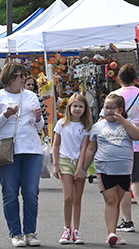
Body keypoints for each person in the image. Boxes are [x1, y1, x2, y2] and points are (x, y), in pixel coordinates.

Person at [0, 62, 44, 247]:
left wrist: (38, 117)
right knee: (10, 193)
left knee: (31, 192)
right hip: (7, 148)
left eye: (25, 75)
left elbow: (40, 126)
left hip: (32, 149)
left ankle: (30, 232)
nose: (24, 79)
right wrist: (6, 115)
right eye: (21, 75)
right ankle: (16, 233)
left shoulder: (32, 96)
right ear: (10, 77)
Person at [79, 92, 139, 247]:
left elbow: (138, 136)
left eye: (112, 107)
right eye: (106, 107)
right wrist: (83, 168)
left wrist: (123, 121)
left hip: (125, 169)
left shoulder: (128, 124)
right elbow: (90, 149)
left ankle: (113, 232)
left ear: (120, 109)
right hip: (104, 168)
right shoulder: (97, 126)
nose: (108, 110)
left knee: (117, 200)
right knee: (111, 200)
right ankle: (111, 233)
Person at [109, 64, 139, 233]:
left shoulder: (114, 96)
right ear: (136, 79)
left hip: (122, 143)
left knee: (124, 182)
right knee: (138, 178)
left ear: (119, 79)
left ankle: (127, 221)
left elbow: (106, 119)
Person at [53, 93, 93, 244]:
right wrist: (55, 164)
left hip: (79, 162)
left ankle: (76, 230)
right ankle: (67, 228)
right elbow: (56, 145)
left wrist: (81, 168)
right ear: (69, 107)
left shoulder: (86, 127)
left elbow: (84, 148)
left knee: (77, 198)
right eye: (74, 106)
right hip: (65, 161)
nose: (77, 109)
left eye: (80, 106)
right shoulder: (62, 124)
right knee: (68, 197)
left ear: (85, 109)